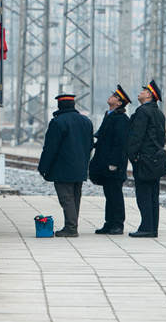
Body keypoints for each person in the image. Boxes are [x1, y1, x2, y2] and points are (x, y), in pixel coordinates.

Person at [37, 93, 93, 237]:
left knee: (66, 198)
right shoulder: (86, 121)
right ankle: (72, 225)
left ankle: (71, 228)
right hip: (80, 167)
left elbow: (50, 147)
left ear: (59, 105)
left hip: (62, 168)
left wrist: (43, 167)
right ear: (73, 105)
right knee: (75, 197)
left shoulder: (58, 122)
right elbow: (90, 145)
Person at [127, 79, 166, 237]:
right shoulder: (159, 113)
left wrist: (132, 155)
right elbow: (162, 138)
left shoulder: (143, 111)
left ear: (149, 95)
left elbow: (136, 136)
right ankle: (152, 227)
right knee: (153, 195)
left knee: (143, 194)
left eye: (143, 91)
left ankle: (146, 228)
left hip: (143, 159)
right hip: (156, 158)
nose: (140, 93)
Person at [89, 85, 131, 235]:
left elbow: (120, 144)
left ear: (119, 103)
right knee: (109, 194)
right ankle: (109, 223)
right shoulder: (110, 115)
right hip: (106, 163)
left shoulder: (121, 119)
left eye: (115, 96)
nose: (111, 97)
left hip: (114, 165)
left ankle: (118, 224)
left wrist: (114, 163)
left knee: (115, 195)